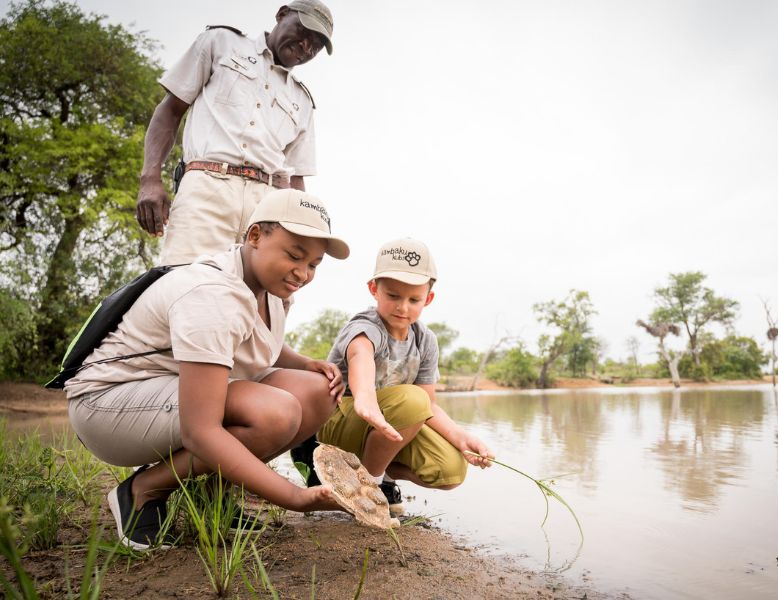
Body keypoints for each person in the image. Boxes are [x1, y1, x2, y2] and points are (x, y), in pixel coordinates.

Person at [65, 188, 349, 550]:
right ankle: (142, 492)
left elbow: (255, 338)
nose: (303, 273)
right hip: (106, 407)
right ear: (255, 236)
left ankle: (213, 497)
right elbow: (201, 431)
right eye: (295, 255)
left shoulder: (271, 289)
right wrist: (293, 497)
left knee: (318, 391)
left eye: (313, 264)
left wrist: (306, 364)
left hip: (163, 392)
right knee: (275, 412)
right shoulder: (213, 294)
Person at [136, 0, 334, 266]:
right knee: (185, 279)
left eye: (316, 46)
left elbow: (295, 179)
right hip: (206, 189)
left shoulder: (303, 101)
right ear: (282, 14)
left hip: (266, 210)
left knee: (255, 292)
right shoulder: (221, 43)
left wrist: (300, 234)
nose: (306, 47)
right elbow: (171, 111)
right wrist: (150, 179)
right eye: (303, 32)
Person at [313, 238, 494, 516]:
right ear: (374, 289)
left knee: (450, 469)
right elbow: (360, 354)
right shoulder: (366, 326)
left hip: (386, 426)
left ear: (428, 299)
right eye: (393, 296)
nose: (403, 307)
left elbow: (429, 405)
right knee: (413, 399)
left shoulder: (425, 340)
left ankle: (375, 474)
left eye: (414, 300)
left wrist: (460, 437)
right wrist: (365, 397)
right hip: (344, 418)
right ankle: (369, 487)